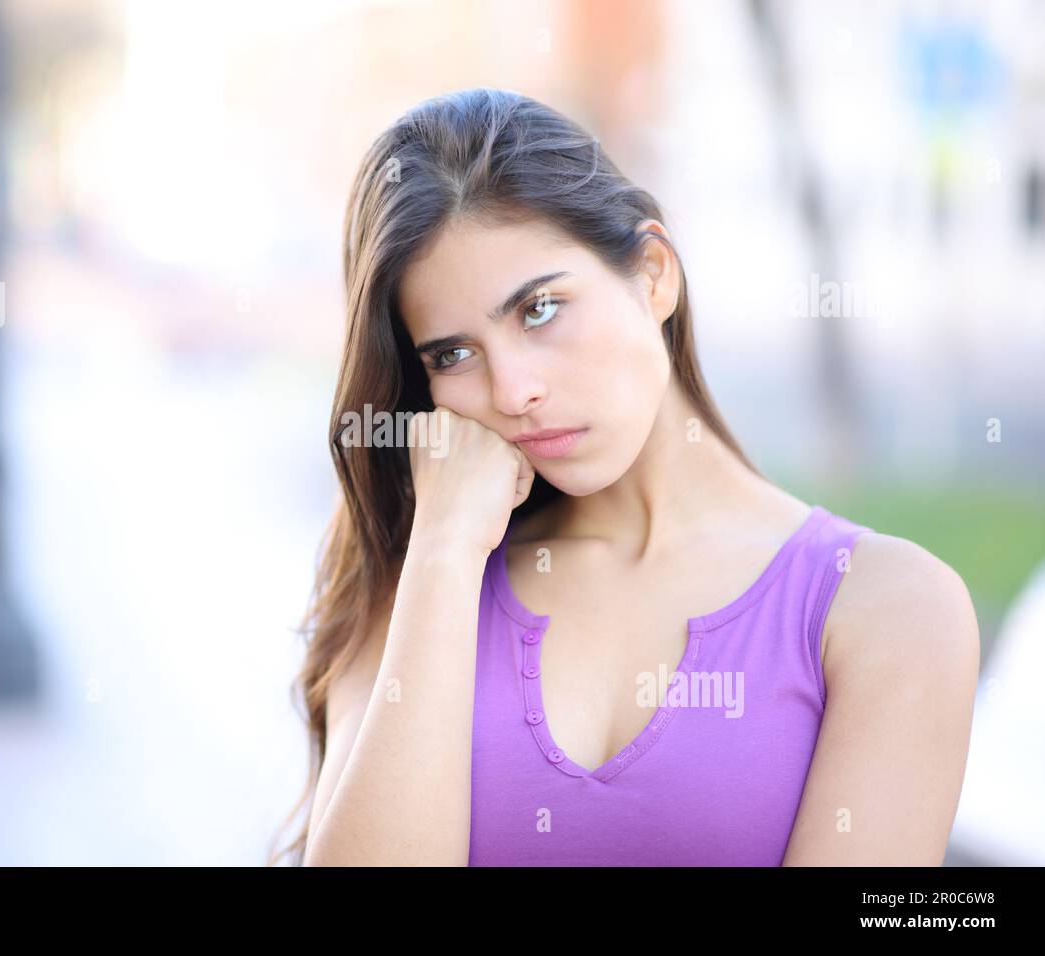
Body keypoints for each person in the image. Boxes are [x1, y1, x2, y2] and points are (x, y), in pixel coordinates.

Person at [272, 87, 980, 866]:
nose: (513, 392)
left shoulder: (887, 606)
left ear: (653, 275)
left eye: (539, 310)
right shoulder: (417, 590)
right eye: (452, 354)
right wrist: (443, 549)